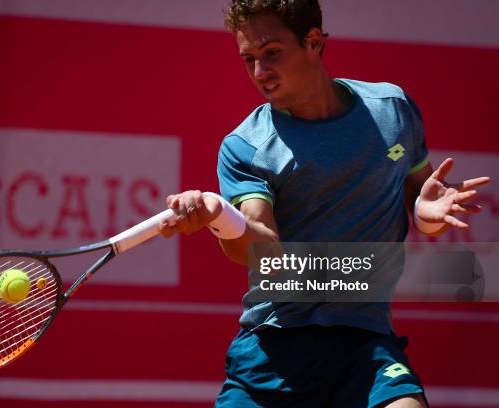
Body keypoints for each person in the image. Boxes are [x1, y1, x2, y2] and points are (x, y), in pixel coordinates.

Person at [158, 1, 491, 407]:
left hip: (365, 347)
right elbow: (264, 253)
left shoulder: (393, 109)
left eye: (272, 53)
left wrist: (427, 214)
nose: (260, 73)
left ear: (313, 42)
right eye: (249, 60)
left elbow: (424, 204)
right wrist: (218, 215)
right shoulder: (245, 146)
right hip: (273, 350)